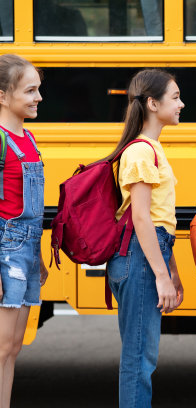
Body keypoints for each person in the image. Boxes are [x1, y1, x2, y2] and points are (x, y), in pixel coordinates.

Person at [104, 69, 184, 407]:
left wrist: (173, 272)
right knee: (139, 359)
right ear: (153, 103)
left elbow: (160, 220)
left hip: (147, 254)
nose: (182, 104)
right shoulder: (140, 152)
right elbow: (140, 218)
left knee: (142, 357)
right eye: (175, 97)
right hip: (139, 258)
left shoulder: (151, 148)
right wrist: (162, 276)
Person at [0, 54, 47, 408]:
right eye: (30, 91)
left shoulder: (28, 137)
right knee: (1, 347)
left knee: (13, 348)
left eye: (38, 90)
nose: (38, 98)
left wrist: (40, 257)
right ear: (3, 96)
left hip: (28, 251)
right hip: (7, 251)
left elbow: (33, 212)